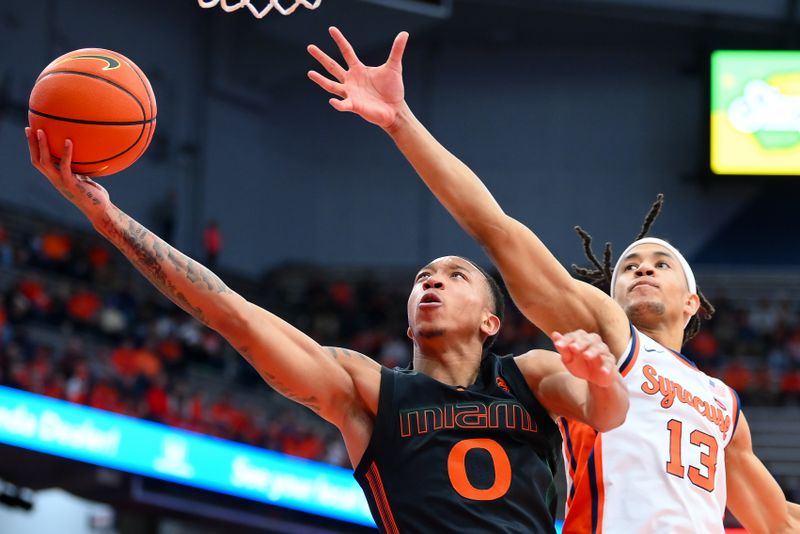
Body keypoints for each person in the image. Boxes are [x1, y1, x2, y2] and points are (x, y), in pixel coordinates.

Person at [307, 27, 800, 534]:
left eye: (661, 263)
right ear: (609, 296)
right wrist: (401, 123)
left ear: (692, 302)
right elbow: (497, 230)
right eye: (629, 266)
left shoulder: (724, 405)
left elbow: (778, 519)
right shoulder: (612, 338)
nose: (643, 268)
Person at [25, 127, 628, 533]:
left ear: (492, 321)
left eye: (454, 275)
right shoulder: (365, 391)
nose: (431, 282)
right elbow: (231, 314)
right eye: (422, 277)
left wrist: (602, 377)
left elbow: (608, 414)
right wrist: (107, 220)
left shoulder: (531, 374)